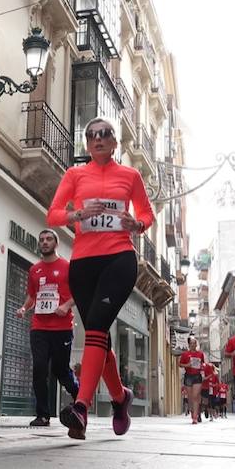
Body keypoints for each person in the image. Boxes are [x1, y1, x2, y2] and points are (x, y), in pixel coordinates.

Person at [46, 118, 154, 440]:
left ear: (114, 143)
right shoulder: (74, 175)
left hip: (119, 258)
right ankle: (121, 399)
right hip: (83, 262)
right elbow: (52, 214)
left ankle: (80, 406)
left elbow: (147, 214)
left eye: (104, 134)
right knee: (98, 332)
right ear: (86, 144)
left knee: (95, 326)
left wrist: (136, 225)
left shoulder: (130, 176)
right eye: (91, 135)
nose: (97, 139)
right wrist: (76, 215)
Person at [16, 229, 80, 427]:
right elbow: (32, 296)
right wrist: (24, 308)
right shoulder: (34, 270)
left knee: (61, 371)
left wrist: (66, 306)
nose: (44, 242)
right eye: (41, 239)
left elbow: (79, 293)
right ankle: (43, 415)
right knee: (39, 368)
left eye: (48, 239)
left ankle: (80, 397)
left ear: (56, 243)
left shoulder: (67, 267)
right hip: (39, 327)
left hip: (62, 327)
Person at [179, 338, 206, 424]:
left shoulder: (200, 354)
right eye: (191, 343)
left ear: (196, 344)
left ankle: (195, 416)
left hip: (197, 376)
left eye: (194, 343)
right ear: (189, 344)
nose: (193, 345)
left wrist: (202, 366)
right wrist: (187, 365)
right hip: (188, 376)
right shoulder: (185, 354)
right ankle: (192, 411)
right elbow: (179, 364)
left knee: (195, 396)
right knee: (190, 398)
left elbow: (203, 363)